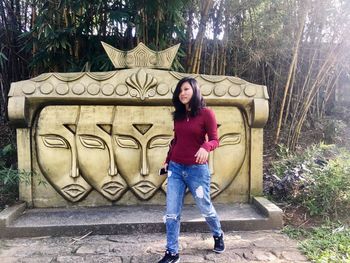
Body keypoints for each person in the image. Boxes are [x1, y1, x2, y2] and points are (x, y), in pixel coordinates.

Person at [158, 77, 224, 263]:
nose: (183, 93)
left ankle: (218, 234)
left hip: (197, 170)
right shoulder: (178, 116)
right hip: (176, 169)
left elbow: (215, 139)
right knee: (171, 212)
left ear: (194, 91)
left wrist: (206, 147)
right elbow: (176, 141)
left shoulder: (206, 113)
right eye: (180, 90)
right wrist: (167, 161)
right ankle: (172, 252)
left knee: (205, 207)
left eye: (186, 89)